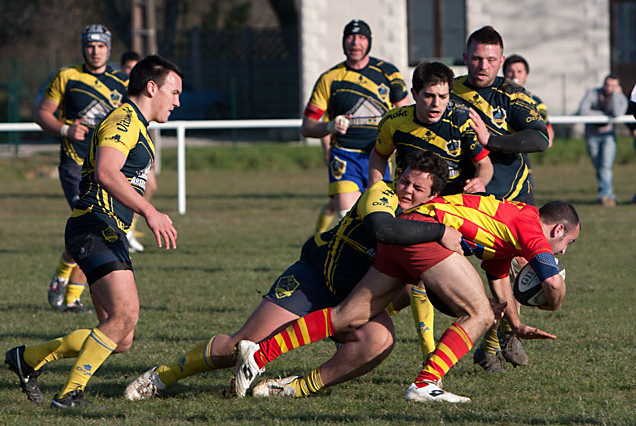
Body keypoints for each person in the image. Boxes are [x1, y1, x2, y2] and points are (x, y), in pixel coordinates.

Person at [123, 151, 461, 401]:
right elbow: (381, 228)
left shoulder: (430, 221)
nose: (406, 190)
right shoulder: (382, 193)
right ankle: (161, 377)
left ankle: (292, 388)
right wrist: (439, 232)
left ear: (433, 196)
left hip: (354, 299)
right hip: (314, 279)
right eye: (405, 180)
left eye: (418, 188)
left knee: (380, 341)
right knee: (240, 346)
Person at [233, 197, 580, 403]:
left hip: (407, 232)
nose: (565, 251)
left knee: (348, 315)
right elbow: (552, 282)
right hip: (428, 235)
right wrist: (555, 303)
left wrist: (516, 325)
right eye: (569, 244)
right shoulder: (531, 223)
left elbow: (499, 276)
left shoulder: (511, 227)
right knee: (477, 313)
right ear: (558, 230)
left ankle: (260, 355)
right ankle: (426, 384)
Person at [5, 55, 182, 408]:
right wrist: (149, 211)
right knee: (126, 314)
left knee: (121, 337)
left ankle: (27, 359)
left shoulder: (139, 126)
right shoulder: (124, 120)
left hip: (104, 228)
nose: (177, 101)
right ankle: (70, 394)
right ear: (151, 87)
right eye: (174, 92)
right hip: (95, 225)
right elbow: (106, 171)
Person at [416, 26, 552, 373]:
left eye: (491, 59)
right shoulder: (448, 91)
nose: (483, 65)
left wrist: (491, 138)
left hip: (511, 199)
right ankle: (493, 331)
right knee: (454, 275)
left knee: (512, 271)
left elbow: (540, 139)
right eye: (476, 57)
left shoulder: (513, 95)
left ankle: (499, 340)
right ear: (465, 58)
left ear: (501, 61)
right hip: (464, 200)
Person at [34, 25, 129, 312]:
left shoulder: (121, 81)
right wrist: (65, 129)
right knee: (90, 224)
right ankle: (69, 294)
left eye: (101, 46)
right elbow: (41, 114)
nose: (95, 51)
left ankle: (66, 285)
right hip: (75, 166)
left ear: (108, 48)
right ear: (83, 48)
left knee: (94, 228)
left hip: (107, 167)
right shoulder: (67, 76)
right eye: (90, 45)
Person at [302, 19, 409, 226]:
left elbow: (405, 114)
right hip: (344, 156)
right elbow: (307, 127)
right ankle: (321, 246)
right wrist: (329, 126)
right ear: (343, 42)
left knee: (377, 217)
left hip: (379, 156)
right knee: (347, 218)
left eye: (361, 38)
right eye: (350, 37)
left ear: (369, 42)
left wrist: (400, 144)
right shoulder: (329, 79)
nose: (355, 43)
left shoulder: (388, 73)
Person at [368, 61, 493, 195]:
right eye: (429, 96)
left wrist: (479, 181)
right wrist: (376, 186)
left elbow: (484, 164)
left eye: (443, 96)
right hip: (407, 199)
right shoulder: (394, 121)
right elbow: (379, 155)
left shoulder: (462, 120)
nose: (436, 103)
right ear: (414, 94)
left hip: (449, 202)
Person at [119, 50, 156, 253]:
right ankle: (124, 229)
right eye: (128, 67)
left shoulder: (142, 88)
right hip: (123, 146)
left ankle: (129, 228)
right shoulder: (118, 88)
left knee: (151, 185)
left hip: (142, 141)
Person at [578, 74, 628, 207]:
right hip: (592, 135)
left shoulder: (620, 97)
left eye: (613, 85)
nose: (609, 88)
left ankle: (605, 196)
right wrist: (603, 116)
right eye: (608, 84)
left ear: (617, 86)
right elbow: (583, 111)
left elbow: (618, 113)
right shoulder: (593, 93)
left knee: (605, 166)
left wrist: (617, 95)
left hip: (608, 135)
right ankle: (608, 195)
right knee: (599, 166)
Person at [503, 54, 555, 147]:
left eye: (519, 71)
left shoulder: (535, 101)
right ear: (504, 74)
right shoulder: (495, 96)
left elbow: (548, 131)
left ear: (526, 75)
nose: (515, 75)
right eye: (511, 71)